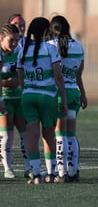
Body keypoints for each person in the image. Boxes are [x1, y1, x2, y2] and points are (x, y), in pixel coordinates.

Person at [17, 17, 68, 184]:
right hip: (47, 96)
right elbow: (58, 76)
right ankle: (51, 173)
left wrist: (29, 89)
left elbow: (20, 78)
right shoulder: (50, 48)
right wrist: (64, 99)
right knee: (48, 135)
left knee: (32, 137)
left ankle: (36, 174)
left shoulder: (23, 50)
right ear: (46, 32)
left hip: (28, 96)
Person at [49, 15, 87, 182]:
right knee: (71, 134)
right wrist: (84, 94)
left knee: (60, 134)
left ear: (52, 31)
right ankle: (73, 172)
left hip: (59, 93)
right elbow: (79, 75)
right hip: (74, 92)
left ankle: (61, 172)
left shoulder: (50, 46)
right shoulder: (79, 47)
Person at [0, 23, 32, 178]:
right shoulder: (0, 53)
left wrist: (20, 82)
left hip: (19, 99)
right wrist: (4, 83)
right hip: (5, 99)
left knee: (25, 134)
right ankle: (7, 168)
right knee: (6, 135)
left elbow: (25, 73)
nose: (14, 44)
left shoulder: (20, 51)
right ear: (1, 39)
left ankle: (29, 168)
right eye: (10, 40)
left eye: (16, 40)